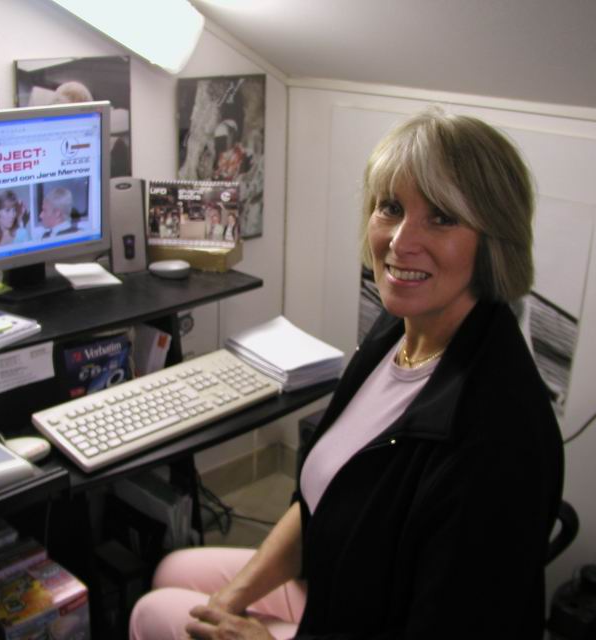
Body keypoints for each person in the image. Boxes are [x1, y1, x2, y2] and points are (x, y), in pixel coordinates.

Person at [130, 107, 565, 639]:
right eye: (391, 208)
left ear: (495, 239)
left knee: (151, 613)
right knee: (172, 572)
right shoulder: (398, 328)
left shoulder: (501, 441)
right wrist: (233, 599)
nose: (400, 242)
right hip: (339, 582)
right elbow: (322, 499)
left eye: (442, 218)